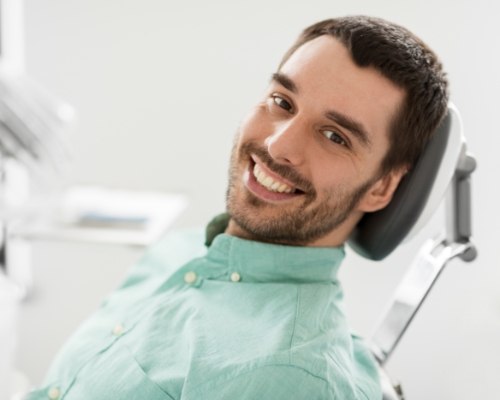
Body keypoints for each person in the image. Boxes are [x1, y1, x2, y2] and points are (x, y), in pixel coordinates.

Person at [26, 15, 448, 400]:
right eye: (283, 102)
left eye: (335, 137)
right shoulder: (178, 252)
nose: (278, 145)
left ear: (382, 187)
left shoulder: (291, 376)